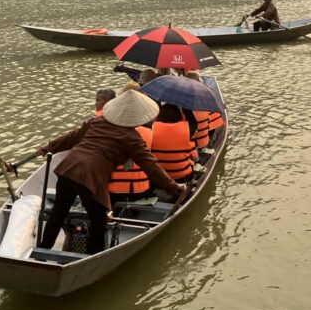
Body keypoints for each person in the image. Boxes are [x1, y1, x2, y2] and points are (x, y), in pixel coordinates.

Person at [36, 91, 185, 255]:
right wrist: (173, 187)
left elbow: (71, 138)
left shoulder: (97, 121)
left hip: (68, 167)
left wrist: (48, 147)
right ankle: (93, 257)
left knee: (58, 212)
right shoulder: (132, 138)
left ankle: (42, 251)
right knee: (98, 220)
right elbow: (151, 165)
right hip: (90, 175)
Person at [151, 103, 196, 183]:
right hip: (183, 177)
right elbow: (192, 120)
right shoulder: (187, 128)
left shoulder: (152, 129)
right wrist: (184, 104)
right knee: (191, 150)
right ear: (179, 115)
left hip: (160, 177)